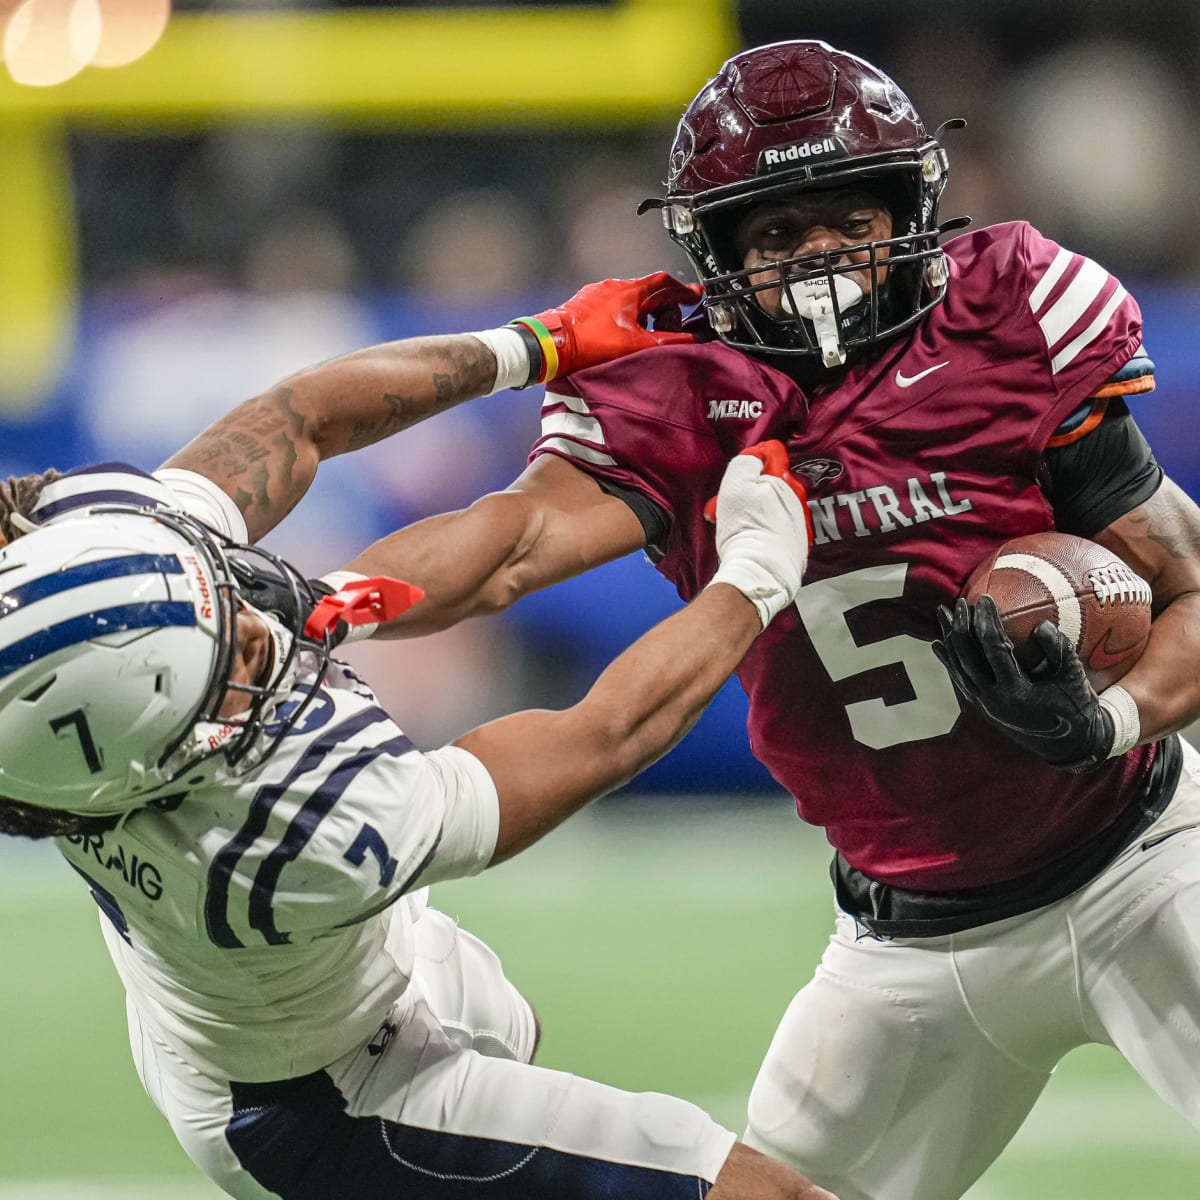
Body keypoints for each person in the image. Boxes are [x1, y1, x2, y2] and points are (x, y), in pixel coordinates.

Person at [259, 39, 1200, 1200]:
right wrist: (319, 605)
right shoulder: (682, 386)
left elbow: (1189, 590)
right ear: (715, 251)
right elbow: (507, 547)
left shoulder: (1013, 310)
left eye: (846, 221)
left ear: (911, 207)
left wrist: (1108, 719)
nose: (818, 259)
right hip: (905, 939)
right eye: (776, 234)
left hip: (1144, 863)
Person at [0, 437, 834, 1200]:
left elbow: (304, 415)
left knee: (506, 1023)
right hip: (330, 1100)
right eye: (220, 658)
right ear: (157, 756)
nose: (253, 628)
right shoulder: (291, 841)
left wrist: (529, 346)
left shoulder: (67, 752)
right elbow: (605, 733)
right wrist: (755, 576)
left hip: (280, 1003)